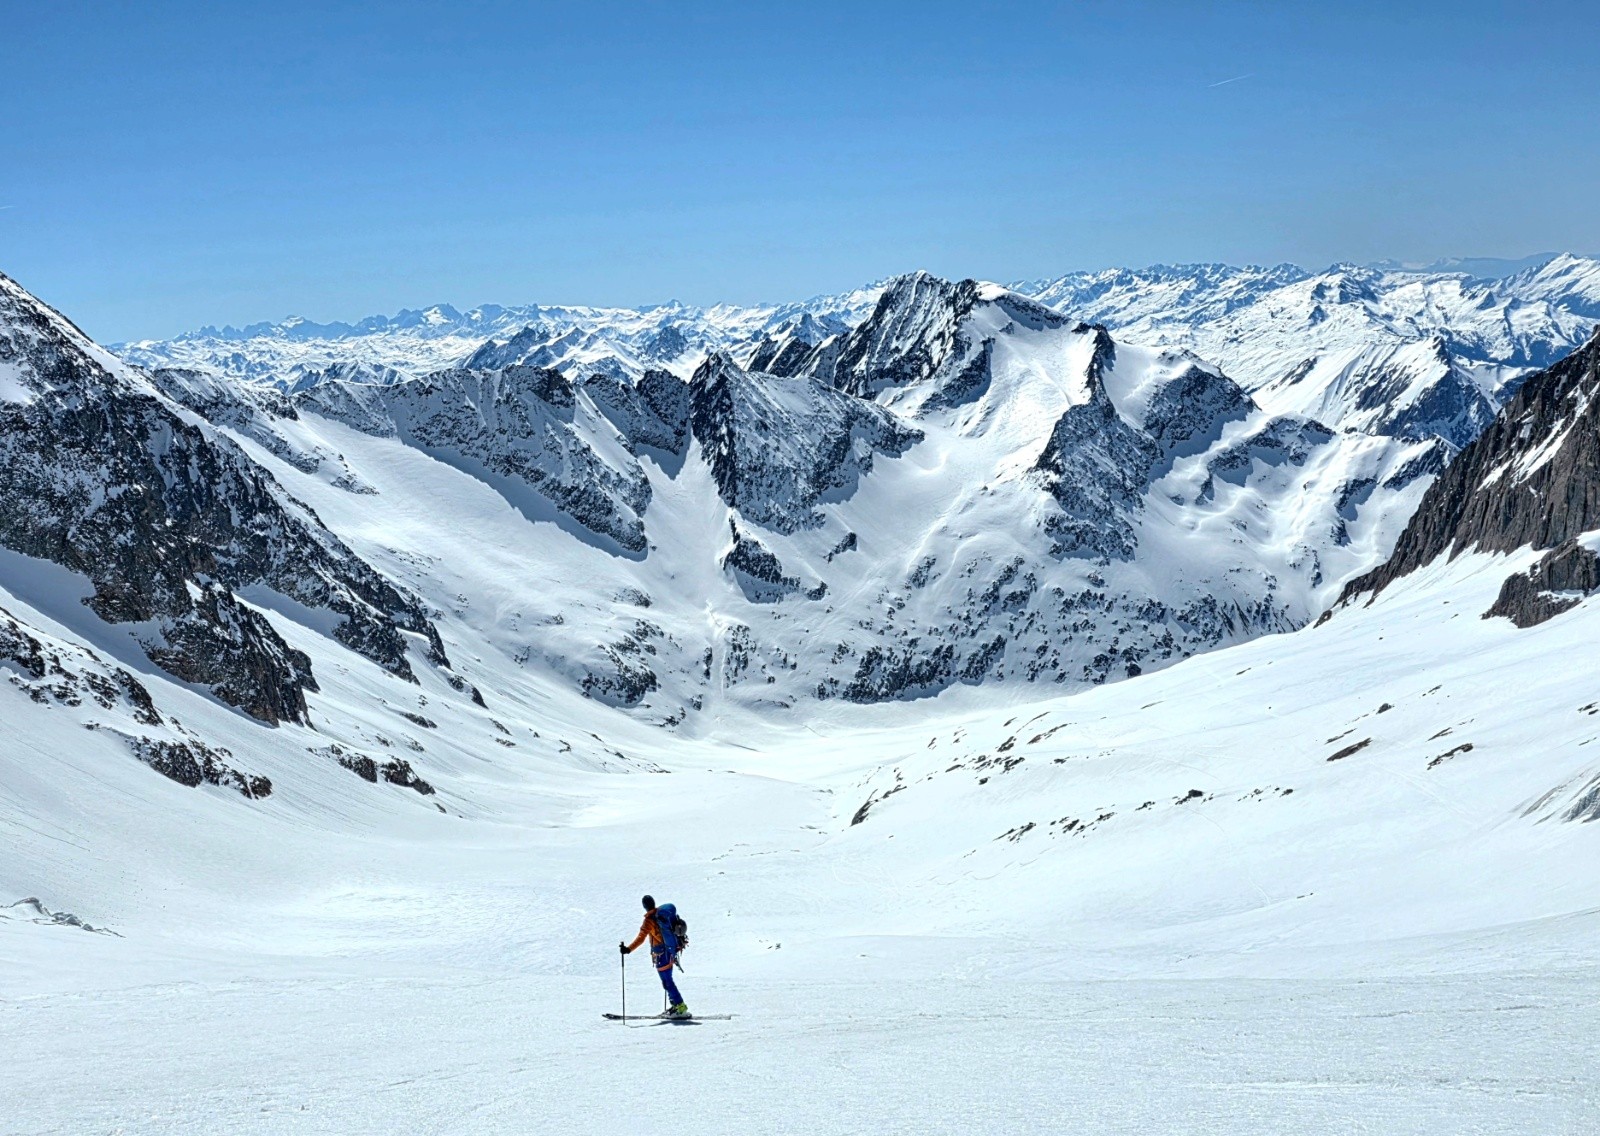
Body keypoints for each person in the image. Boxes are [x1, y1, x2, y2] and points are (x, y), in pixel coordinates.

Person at [620, 894, 688, 1017]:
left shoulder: (649, 921)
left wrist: (628, 949)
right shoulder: (662, 915)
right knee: (668, 980)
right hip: (670, 952)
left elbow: (640, 938)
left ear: (644, 906)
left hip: (661, 954)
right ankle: (675, 1006)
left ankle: (680, 1007)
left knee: (667, 981)